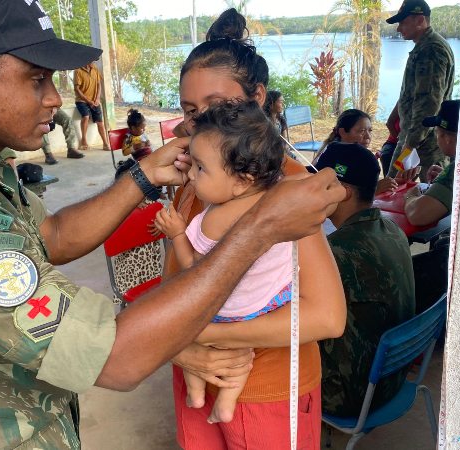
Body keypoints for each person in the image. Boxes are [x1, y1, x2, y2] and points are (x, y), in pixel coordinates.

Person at [0, 1, 346, 448]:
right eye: (36, 80)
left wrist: (143, 176)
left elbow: (53, 238)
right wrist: (257, 231)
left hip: (266, 391)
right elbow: (117, 356)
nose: (55, 97)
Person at [166, 9, 340, 449]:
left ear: (257, 98)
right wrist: (181, 348)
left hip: (269, 387)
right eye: (190, 110)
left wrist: (204, 333)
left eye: (218, 106)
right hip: (193, 375)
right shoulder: (194, 180)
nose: (201, 122)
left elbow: (326, 315)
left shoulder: (290, 189)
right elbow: (175, 286)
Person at [154, 100, 346, 425]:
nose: (191, 173)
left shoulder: (211, 219)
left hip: (226, 309)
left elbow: (196, 270)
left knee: (213, 352)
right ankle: (224, 405)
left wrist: (176, 235)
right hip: (267, 303)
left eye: (201, 168)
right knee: (239, 356)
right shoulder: (281, 198)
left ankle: (196, 394)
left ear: (242, 178)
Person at [315, 142, 416, 417]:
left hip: (350, 396)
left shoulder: (337, 252)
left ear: (343, 192)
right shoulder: (392, 229)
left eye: (318, 183)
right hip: (390, 378)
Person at [385, 0, 455, 181]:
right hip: (411, 135)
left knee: (426, 193)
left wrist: (410, 144)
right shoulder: (423, 47)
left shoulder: (431, 50)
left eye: (403, 22)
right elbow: (413, 91)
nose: (399, 28)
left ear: (420, 20)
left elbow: (429, 102)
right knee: (392, 187)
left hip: (425, 143)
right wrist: (394, 116)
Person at [404, 99, 459, 226]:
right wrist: (444, 182)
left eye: (437, 132)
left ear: (447, 139)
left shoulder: (458, 169)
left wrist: (410, 195)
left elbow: (417, 215)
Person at [73, 60, 109, 150]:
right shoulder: (78, 70)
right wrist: (88, 101)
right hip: (82, 101)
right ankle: (84, 141)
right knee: (86, 117)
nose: (94, 63)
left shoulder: (95, 69)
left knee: (100, 122)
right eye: (92, 61)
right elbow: (77, 89)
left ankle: (105, 143)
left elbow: (99, 84)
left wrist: (97, 99)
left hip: (95, 101)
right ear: (87, 60)